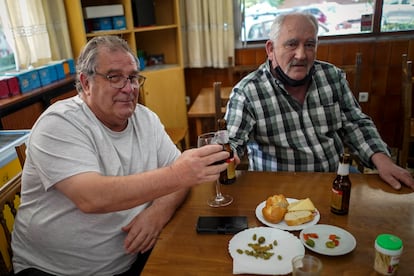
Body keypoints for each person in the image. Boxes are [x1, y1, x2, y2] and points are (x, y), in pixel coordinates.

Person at [11, 35, 229, 276]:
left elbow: (179, 180)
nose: (129, 88)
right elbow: (92, 198)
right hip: (53, 271)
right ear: (85, 83)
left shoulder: (145, 119)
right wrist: (179, 173)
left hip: (132, 260)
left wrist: (158, 213)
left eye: (133, 77)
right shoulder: (59, 123)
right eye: (114, 77)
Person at [224, 12, 414, 190]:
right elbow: (232, 141)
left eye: (309, 45)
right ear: (271, 49)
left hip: (335, 179)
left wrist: (382, 160)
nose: (301, 55)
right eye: (292, 44)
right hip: (280, 189)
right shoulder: (247, 92)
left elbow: (355, 123)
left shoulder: (331, 76)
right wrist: (228, 154)